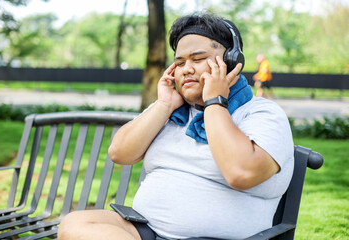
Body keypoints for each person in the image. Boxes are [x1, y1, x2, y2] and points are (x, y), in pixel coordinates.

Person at [58, 12, 294, 240]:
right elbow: (119, 153)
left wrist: (215, 102)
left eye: (198, 59)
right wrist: (163, 104)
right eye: (179, 63)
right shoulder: (172, 110)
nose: (186, 69)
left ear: (232, 62)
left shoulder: (262, 113)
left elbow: (241, 173)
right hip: (147, 230)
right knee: (75, 225)